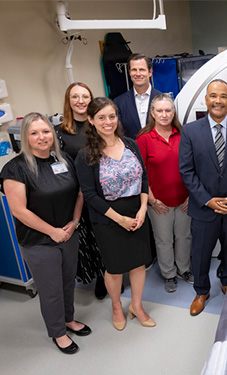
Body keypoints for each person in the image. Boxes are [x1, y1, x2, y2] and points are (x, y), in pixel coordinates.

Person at [0, 113, 91, 354]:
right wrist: (52, 232)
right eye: (34, 133)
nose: (42, 137)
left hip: (68, 233)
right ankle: (58, 332)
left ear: (53, 134)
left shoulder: (64, 160)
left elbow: (79, 193)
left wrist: (74, 222)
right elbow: (18, 210)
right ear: (25, 138)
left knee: (68, 282)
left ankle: (69, 319)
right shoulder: (15, 169)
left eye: (46, 131)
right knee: (51, 289)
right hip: (39, 240)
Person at [179, 79, 227, 316]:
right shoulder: (191, 131)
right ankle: (201, 291)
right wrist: (207, 199)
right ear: (206, 99)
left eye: (223, 96)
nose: (218, 101)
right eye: (213, 96)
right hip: (204, 208)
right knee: (201, 253)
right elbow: (186, 170)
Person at [75, 97, 155, 330]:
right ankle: (117, 306)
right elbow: (90, 196)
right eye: (101, 117)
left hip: (136, 211)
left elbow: (143, 178)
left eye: (112, 116)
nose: (108, 122)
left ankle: (137, 306)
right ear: (91, 120)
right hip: (108, 218)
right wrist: (119, 219)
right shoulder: (87, 154)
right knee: (115, 267)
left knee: (139, 264)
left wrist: (142, 209)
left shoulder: (130, 144)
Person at [55, 82, 107, 300]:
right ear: (69, 101)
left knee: (104, 235)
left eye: (85, 96)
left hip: (101, 190)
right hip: (76, 193)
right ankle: (94, 276)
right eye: (75, 96)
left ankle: (107, 277)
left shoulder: (98, 125)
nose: (81, 101)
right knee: (86, 238)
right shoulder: (60, 132)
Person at [136, 94, 192, 293]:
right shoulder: (144, 139)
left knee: (184, 236)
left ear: (173, 112)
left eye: (168, 110)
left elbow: (193, 166)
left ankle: (184, 269)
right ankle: (169, 273)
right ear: (152, 113)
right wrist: (151, 199)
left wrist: (190, 195)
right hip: (158, 202)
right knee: (164, 240)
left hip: (184, 199)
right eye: (159, 110)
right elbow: (139, 172)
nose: (164, 114)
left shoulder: (183, 134)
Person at [114, 53, 161, 139]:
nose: (138, 74)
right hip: (131, 151)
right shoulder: (119, 103)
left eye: (142, 70)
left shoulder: (163, 100)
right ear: (129, 72)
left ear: (150, 72)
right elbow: (119, 133)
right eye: (134, 70)